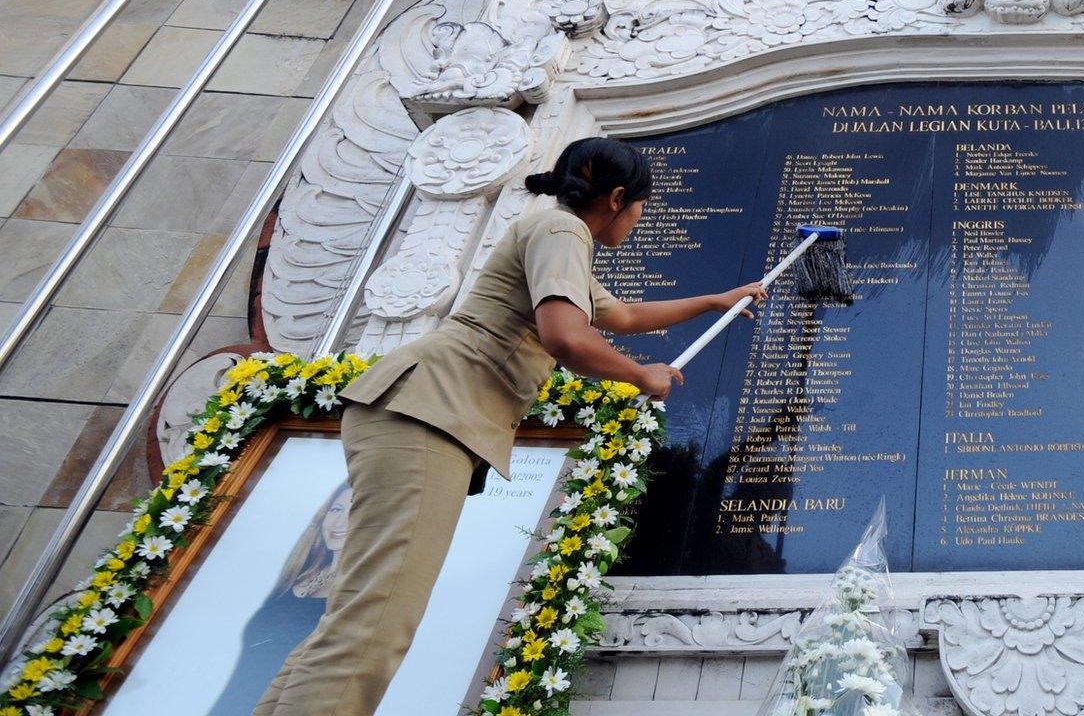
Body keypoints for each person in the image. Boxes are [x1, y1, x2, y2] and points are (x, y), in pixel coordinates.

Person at [254, 136, 766, 715]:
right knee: (376, 625)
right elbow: (566, 337)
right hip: (430, 412)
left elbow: (618, 316)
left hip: (419, 410)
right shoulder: (562, 232)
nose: (641, 219)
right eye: (643, 205)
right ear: (618, 196)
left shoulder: (555, 235)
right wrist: (637, 376)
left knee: (361, 617)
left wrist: (714, 302)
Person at [205, 484, 350, 716]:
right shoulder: (296, 576)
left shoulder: (355, 595)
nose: (340, 522)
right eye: (336, 509)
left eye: (354, 511)